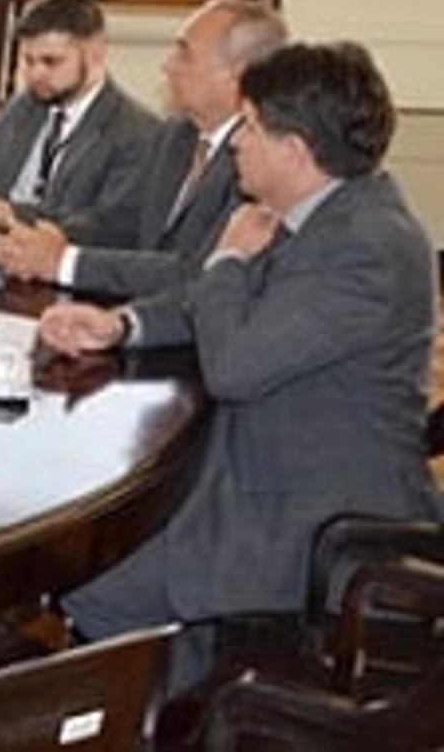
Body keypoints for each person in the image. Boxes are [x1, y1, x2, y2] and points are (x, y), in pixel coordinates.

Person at [38, 43, 440, 680]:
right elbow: (213, 301)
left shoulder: (366, 249)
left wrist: (226, 259)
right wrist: (120, 324)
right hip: (265, 472)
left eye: (250, 127)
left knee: (90, 578)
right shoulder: (324, 208)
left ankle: (179, 710)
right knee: (87, 567)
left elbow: (235, 366)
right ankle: (164, 696)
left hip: (313, 516)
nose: (234, 144)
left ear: (295, 150)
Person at [0, 0, 286, 297]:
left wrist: (65, 262)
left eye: (184, 54)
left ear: (238, 74)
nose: (166, 65)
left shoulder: (260, 159)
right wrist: (55, 235)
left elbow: (199, 271)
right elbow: (123, 221)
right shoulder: (177, 135)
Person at [0, 0, 157, 242]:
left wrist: (12, 214)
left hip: (56, 268)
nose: (35, 75)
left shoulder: (136, 132)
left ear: (95, 54)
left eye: (50, 62)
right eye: (29, 61)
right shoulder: (24, 107)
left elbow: (105, 227)